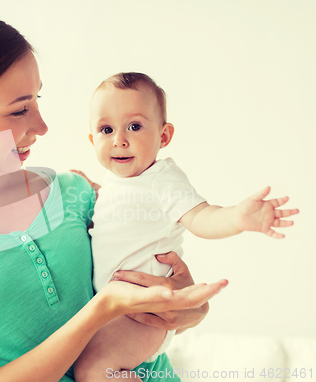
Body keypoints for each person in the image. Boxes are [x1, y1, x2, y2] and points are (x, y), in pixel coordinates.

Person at [0, 9, 228, 382]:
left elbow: (155, 285)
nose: (42, 126)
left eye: (37, 101)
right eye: (19, 111)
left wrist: (193, 309)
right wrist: (101, 309)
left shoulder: (75, 191)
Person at [73, 72, 299, 382]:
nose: (119, 139)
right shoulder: (116, 184)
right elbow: (123, 212)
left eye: (135, 126)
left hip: (144, 315)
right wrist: (93, 189)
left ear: (164, 136)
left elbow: (201, 216)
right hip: (115, 312)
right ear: (92, 139)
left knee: (93, 371)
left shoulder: (163, 180)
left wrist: (237, 217)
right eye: (106, 129)